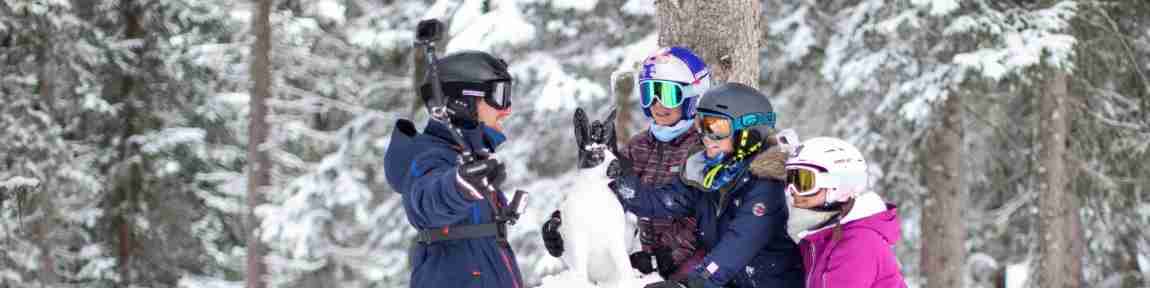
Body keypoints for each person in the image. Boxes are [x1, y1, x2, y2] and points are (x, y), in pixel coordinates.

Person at [610, 83, 804, 288]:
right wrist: (618, 175)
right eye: (701, 125)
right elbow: (662, 202)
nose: (706, 136)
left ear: (748, 131)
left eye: (716, 128)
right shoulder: (711, 173)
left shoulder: (767, 184)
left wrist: (691, 284)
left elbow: (737, 245)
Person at [541, 46, 710, 280]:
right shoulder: (639, 146)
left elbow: (688, 207)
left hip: (695, 265)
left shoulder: (704, 147)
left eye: (669, 95)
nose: (658, 104)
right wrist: (563, 221)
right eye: (650, 93)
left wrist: (667, 256)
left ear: (693, 97)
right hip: (646, 265)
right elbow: (599, 190)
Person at [384, 50, 523, 288]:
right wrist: (458, 188)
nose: (506, 109)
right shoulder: (429, 158)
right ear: (462, 102)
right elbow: (427, 200)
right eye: (499, 96)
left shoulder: (467, 161)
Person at [785, 137, 907, 288]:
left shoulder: (858, 242)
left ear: (840, 185)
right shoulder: (819, 237)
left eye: (804, 182)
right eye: (789, 179)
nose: (793, 191)